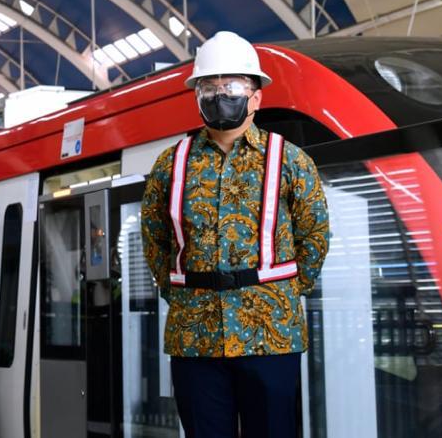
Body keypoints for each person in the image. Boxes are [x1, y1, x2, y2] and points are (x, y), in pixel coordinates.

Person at [140, 31, 330, 438]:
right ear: (196, 95)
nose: (219, 95)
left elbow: (315, 235)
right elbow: (154, 238)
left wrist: (282, 292)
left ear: (256, 95)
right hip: (194, 338)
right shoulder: (171, 164)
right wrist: (184, 293)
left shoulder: (291, 161)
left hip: (271, 334)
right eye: (209, 87)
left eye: (232, 86)